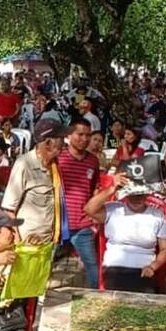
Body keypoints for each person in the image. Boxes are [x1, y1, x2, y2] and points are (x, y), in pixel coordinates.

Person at [84, 170, 166, 293]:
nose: (136, 199)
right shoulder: (114, 209)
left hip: (144, 269)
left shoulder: (157, 215)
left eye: (140, 195)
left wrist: (154, 266)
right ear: (126, 195)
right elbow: (89, 209)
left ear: (147, 195)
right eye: (132, 195)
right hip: (115, 267)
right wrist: (112, 188)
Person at [2, 119, 65, 245]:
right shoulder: (24, 164)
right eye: (61, 139)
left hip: (49, 239)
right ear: (48, 142)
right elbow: (9, 209)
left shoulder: (56, 166)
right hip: (28, 241)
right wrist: (16, 238)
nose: (64, 143)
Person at [57, 120, 101, 287]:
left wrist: (95, 217)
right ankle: (38, 301)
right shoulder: (58, 157)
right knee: (46, 264)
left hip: (83, 223)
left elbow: (94, 189)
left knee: (91, 265)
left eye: (88, 135)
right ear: (69, 135)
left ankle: (95, 299)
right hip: (58, 223)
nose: (84, 138)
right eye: (80, 134)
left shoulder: (93, 161)